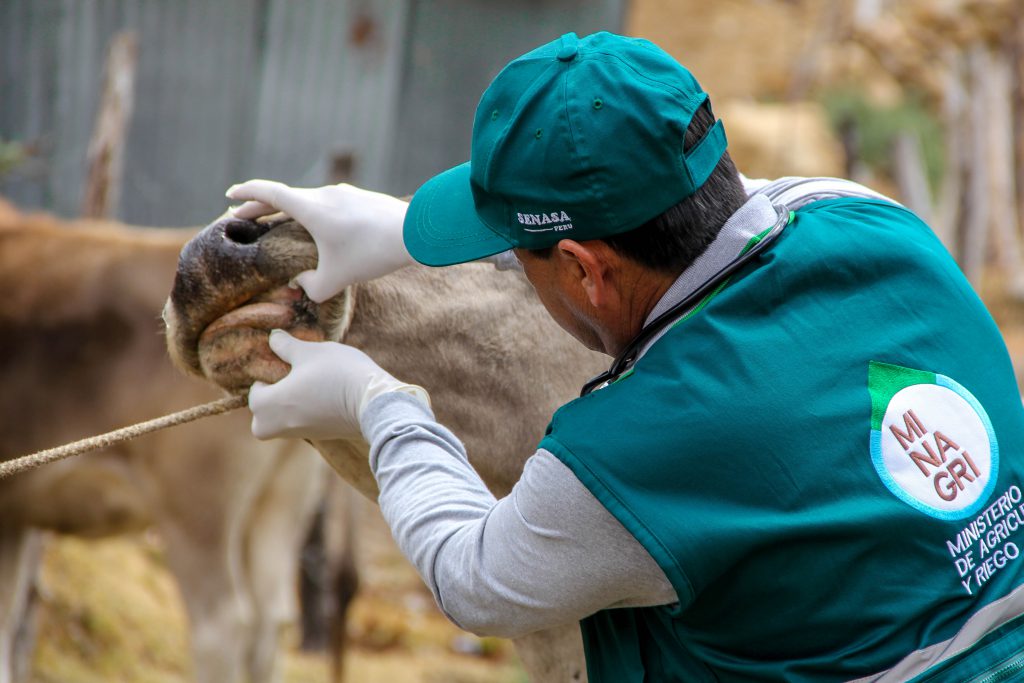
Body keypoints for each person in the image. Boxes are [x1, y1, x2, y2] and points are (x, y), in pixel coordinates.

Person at [226, 31, 1024, 682]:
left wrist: (375, 404)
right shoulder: (869, 216)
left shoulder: (642, 445)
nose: (513, 269)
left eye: (515, 257)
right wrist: (400, 233)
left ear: (584, 273)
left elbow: (474, 579)